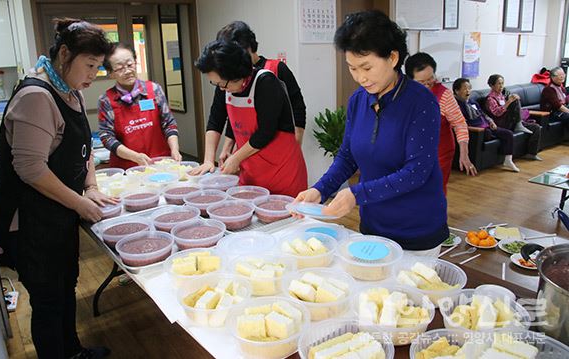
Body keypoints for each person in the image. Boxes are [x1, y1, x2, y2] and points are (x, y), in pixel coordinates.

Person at [0, 18, 115, 359]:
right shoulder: (36, 96)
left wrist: (90, 185)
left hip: (56, 214)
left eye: (98, 67)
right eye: (89, 65)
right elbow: (29, 168)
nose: (93, 75)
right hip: (30, 221)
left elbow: (82, 145)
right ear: (64, 54)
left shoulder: (68, 89)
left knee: (64, 287)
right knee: (47, 300)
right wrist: (78, 203)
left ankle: (73, 352)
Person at [295, 10, 448, 255]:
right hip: (374, 226)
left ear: (393, 57)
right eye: (352, 68)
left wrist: (356, 194)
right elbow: (347, 156)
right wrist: (319, 190)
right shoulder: (358, 100)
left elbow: (416, 172)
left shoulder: (422, 103)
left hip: (417, 230)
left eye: (366, 67)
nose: (360, 78)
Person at [191, 40, 307, 197]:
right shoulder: (224, 86)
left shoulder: (266, 82)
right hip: (251, 170)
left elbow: (266, 131)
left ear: (235, 74)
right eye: (215, 83)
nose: (220, 88)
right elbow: (215, 120)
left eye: (221, 83)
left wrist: (236, 158)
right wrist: (208, 160)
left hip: (283, 171)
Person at [215, 21, 307, 165]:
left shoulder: (276, 70)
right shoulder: (229, 77)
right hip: (248, 155)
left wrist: (296, 144)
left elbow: (298, 107)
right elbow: (236, 117)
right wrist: (227, 147)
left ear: (249, 47)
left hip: (279, 154)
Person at [98, 43, 181, 169]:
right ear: (111, 73)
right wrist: (135, 157)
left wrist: (174, 149)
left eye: (130, 64)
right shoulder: (106, 100)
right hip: (127, 168)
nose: (127, 71)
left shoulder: (154, 89)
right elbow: (107, 138)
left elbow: (169, 123)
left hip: (160, 163)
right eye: (120, 68)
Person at [404, 52, 476, 194]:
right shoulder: (406, 93)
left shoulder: (444, 95)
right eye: (421, 82)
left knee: (434, 191)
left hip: (440, 152)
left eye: (431, 78)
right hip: (414, 152)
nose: (428, 84)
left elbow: (459, 123)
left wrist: (464, 153)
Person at [453, 78, 519, 172]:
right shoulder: (455, 104)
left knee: (508, 134)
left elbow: (483, 114)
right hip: (476, 130)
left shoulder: (472, 101)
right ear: (456, 90)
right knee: (487, 133)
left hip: (486, 126)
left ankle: (508, 160)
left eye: (469, 88)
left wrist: (490, 121)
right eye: (465, 89)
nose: (468, 91)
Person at [485, 74, 542, 160]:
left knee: (536, 127)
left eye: (502, 83)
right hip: (501, 123)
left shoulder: (503, 95)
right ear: (492, 85)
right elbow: (496, 113)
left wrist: (513, 98)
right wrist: (509, 102)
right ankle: (518, 124)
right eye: (498, 84)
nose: (501, 86)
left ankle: (531, 153)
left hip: (511, 121)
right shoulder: (490, 99)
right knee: (514, 101)